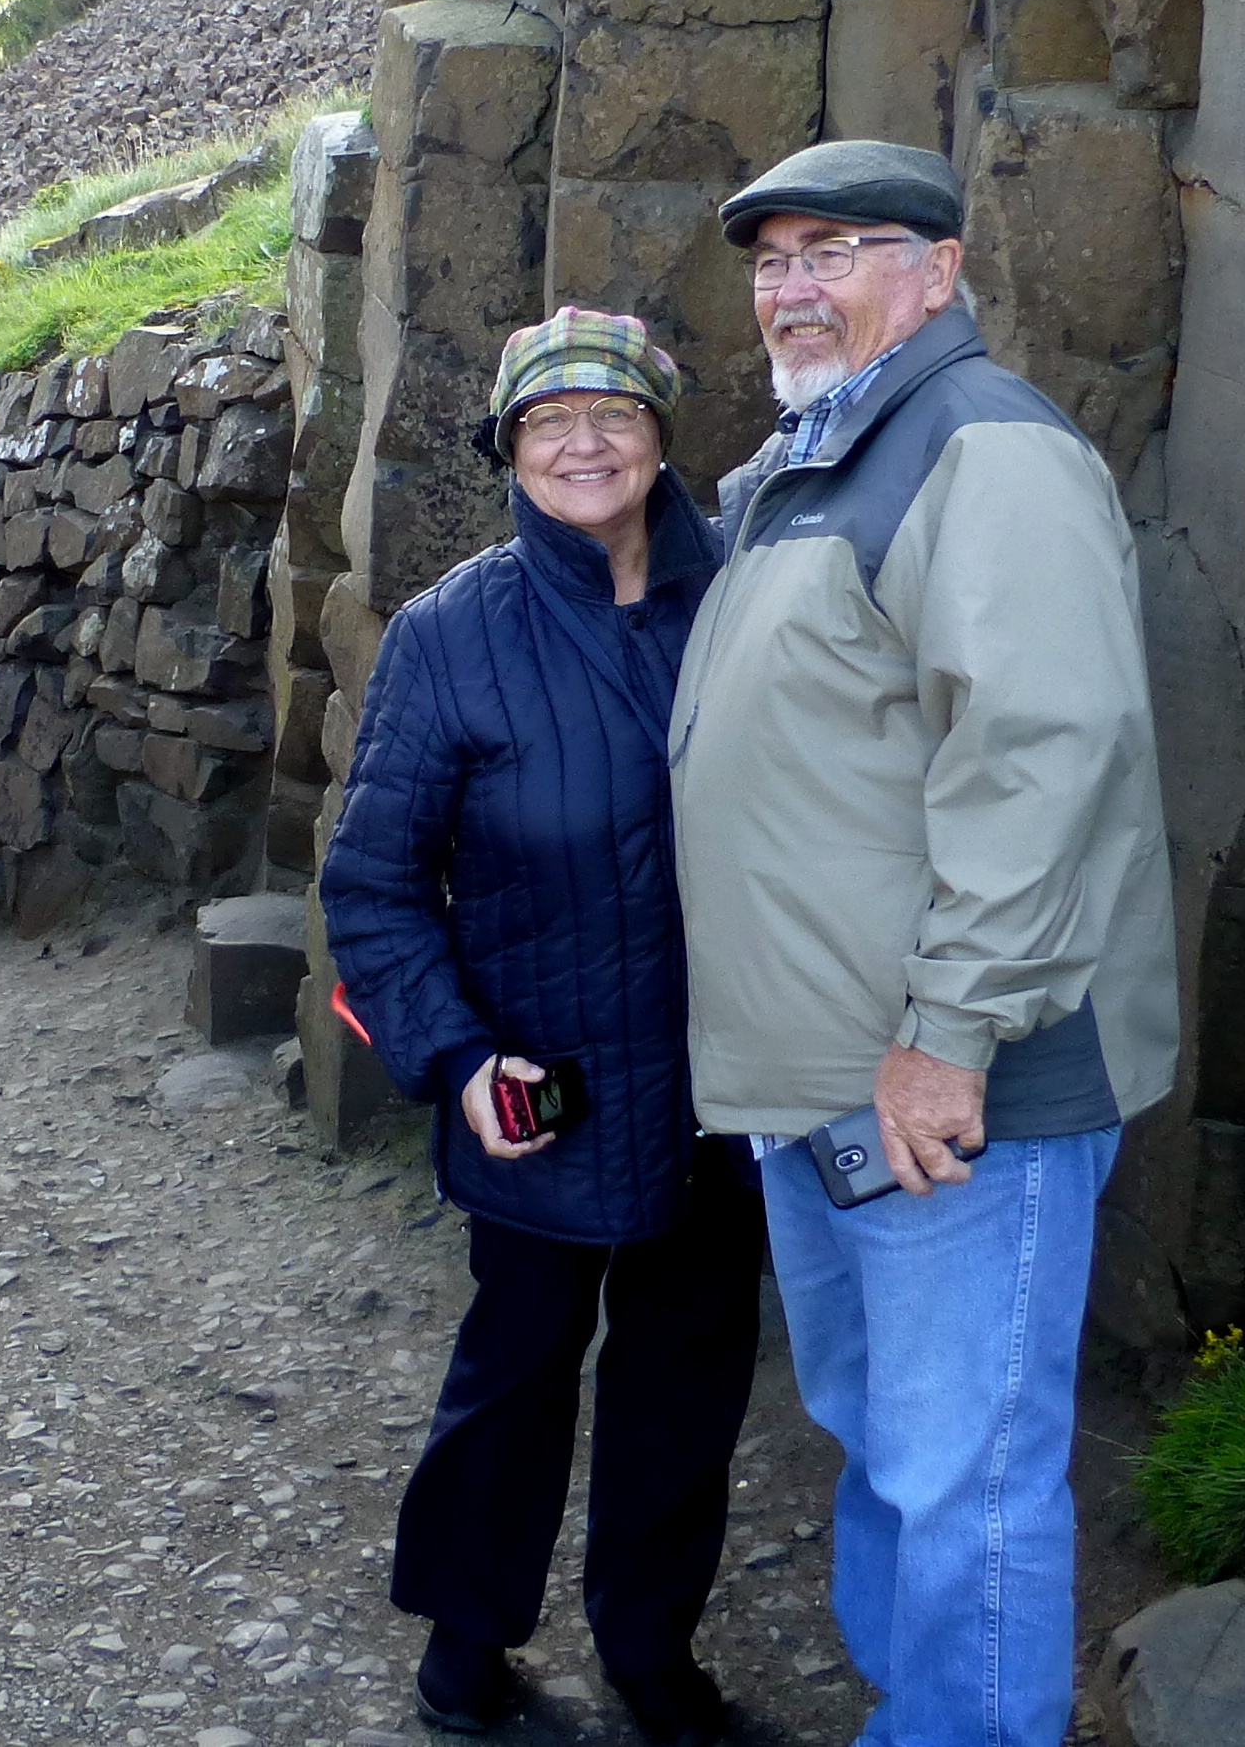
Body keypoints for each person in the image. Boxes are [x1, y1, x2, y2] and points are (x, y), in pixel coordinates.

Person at [669, 141, 1180, 1747]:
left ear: (940, 270)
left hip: (945, 1082)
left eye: (835, 250)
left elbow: (1041, 749)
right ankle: (917, 1718)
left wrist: (951, 1033)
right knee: (890, 1439)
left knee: (965, 1468)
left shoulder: (982, 450)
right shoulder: (813, 459)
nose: (792, 286)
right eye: (770, 260)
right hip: (827, 1078)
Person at [319, 309, 757, 1747]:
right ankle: (464, 1641)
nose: (583, 443)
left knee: (683, 1383)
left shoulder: (747, 598)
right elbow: (374, 885)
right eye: (547, 422)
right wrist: (452, 1059)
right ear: (507, 450)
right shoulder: (454, 633)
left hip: (725, 1079)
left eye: (612, 414)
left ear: (660, 435)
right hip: (535, 1083)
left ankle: (652, 1655)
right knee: (514, 1370)